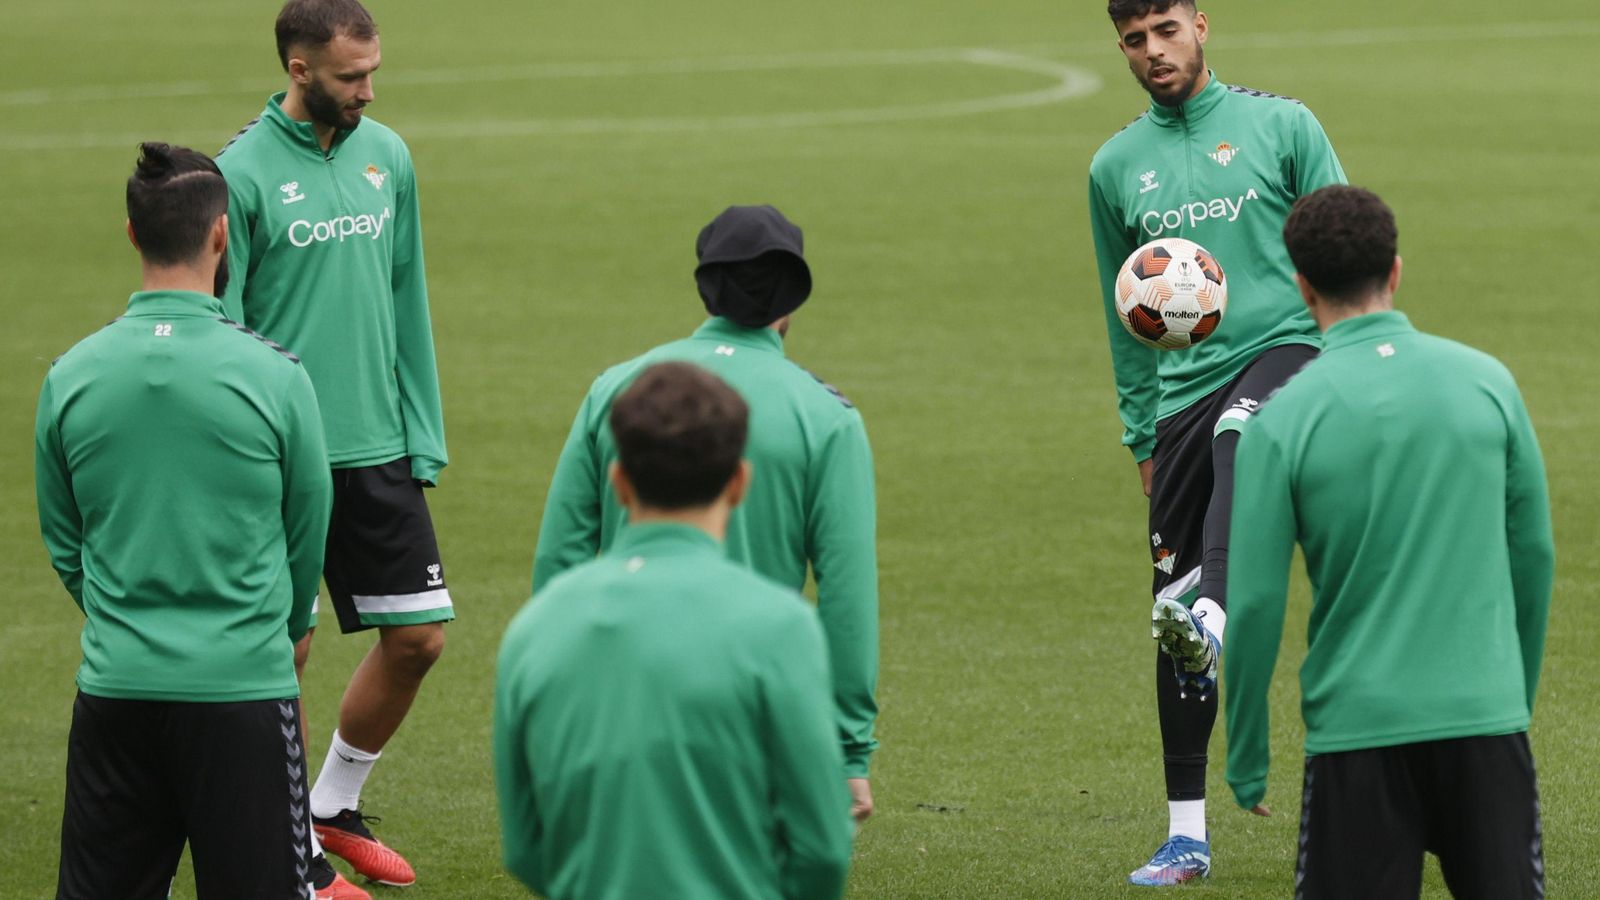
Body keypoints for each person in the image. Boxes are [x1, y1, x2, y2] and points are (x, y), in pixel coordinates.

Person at [1224, 185, 1552, 899]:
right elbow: (1534, 555)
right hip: (1485, 722)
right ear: (1395, 271)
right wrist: (1510, 696)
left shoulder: (1282, 422)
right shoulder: (1487, 382)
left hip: (1357, 734)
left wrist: (1247, 754)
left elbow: (1252, 602)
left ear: (1301, 286)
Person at [1085, 0, 1347, 883]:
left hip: (1291, 358)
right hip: (1181, 402)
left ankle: (1216, 611)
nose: (1153, 53)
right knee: (1169, 617)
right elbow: (1123, 319)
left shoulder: (1284, 125)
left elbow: (1344, 244)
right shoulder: (1115, 167)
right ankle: (1187, 836)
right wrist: (1140, 437)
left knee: (1245, 428)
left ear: (1202, 24)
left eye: (1166, 30)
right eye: (1134, 40)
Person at [37, 142, 331, 899]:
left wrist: (120, 615)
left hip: (116, 688)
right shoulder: (277, 376)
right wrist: (288, 621)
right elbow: (308, 526)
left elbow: (64, 539)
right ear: (222, 234)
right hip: (242, 692)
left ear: (131, 234)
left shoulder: (71, 374)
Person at [532, 205, 879, 822]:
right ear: (792, 297)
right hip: (752, 714)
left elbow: (561, 559)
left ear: (706, 284)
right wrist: (848, 754)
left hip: (619, 707)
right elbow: (846, 594)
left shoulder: (616, 387)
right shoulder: (827, 417)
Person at [215, 0, 448, 892]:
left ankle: (329, 804)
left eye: (374, 70)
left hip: (378, 445)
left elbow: (407, 296)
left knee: (419, 638)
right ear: (299, 68)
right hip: (281, 458)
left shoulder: (388, 155)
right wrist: (243, 455)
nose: (369, 89)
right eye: (351, 77)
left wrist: (419, 431)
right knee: (287, 653)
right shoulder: (238, 176)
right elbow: (223, 331)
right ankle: (294, 857)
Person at [497, 361, 855, 899]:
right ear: (739, 482)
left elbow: (526, 848)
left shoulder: (535, 628)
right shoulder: (781, 628)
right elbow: (822, 850)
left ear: (618, 482)